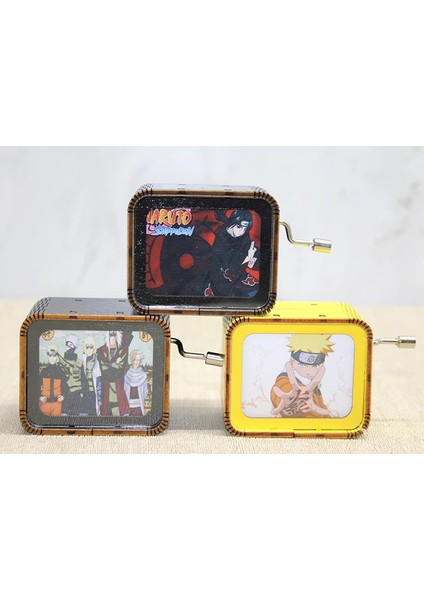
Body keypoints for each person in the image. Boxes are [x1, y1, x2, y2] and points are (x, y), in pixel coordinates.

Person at [270, 334, 334, 418]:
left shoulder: (313, 383)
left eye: (315, 366)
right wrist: (288, 405)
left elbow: (321, 407)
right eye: (302, 365)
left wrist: (319, 410)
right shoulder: (285, 380)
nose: (309, 371)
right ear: (292, 362)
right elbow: (282, 388)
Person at [201, 210, 259, 297]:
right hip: (220, 274)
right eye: (239, 227)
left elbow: (248, 248)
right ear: (232, 223)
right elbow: (228, 266)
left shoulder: (244, 235)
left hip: (238, 273)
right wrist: (248, 257)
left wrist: (252, 257)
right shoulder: (222, 238)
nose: (242, 232)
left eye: (245, 229)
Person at [97, 331, 132, 416]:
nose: (112, 338)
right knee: (106, 405)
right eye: (110, 335)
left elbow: (120, 368)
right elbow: (103, 369)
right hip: (106, 384)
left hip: (118, 383)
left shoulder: (122, 350)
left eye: (114, 335)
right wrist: (114, 364)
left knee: (118, 405)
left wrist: (109, 364)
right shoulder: (101, 350)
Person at [39, 344, 68, 416]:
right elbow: (37, 386)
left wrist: (63, 396)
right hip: (45, 403)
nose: (52, 358)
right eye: (50, 356)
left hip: (57, 404)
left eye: (54, 356)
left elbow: (65, 387)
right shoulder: (43, 372)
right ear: (47, 356)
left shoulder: (61, 371)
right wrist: (39, 397)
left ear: (57, 357)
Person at [81, 336, 102, 416]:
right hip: (84, 393)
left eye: (91, 347)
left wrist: (99, 400)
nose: (89, 349)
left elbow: (99, 382)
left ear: (94, 348)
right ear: (84, 348)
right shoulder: (82, 362)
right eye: (87, 347)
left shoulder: (96, 362)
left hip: (93, 393)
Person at [124, 350, 148, 416]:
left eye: (137, 360)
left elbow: (145, 391)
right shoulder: (126, 374)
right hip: (128, 406)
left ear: (140, 361)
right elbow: (124, 390)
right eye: (134, 360)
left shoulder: (143, 375)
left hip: (139, 406)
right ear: (131, 360)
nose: (135, 362)